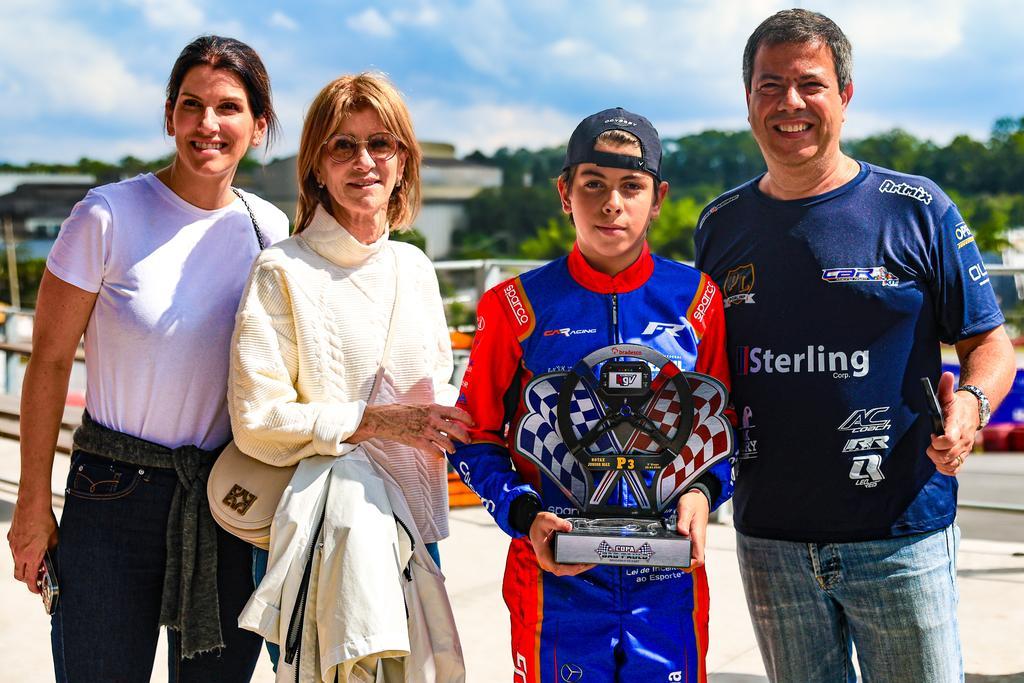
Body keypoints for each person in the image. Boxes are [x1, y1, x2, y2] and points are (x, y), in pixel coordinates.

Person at [694, 9, 1016, 682]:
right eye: (769, 85)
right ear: (747, 100)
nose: (790, 103)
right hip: (770, 542)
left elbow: (991, 341)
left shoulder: (917, 207)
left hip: (901, 534)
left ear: (845, 93)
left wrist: (974, 404)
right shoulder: (719, 225)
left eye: (809, 83)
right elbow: (708, 372)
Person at [6, 35, 289, 681]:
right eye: (191, 105)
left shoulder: (270, 233)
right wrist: (30, 508)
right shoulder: (107, 216)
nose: (207, 124)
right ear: (169, 115)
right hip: (111, 493)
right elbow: (48, 363)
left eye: (228, 107)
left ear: (258, 124)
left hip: (230, 498)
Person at [449, 108, 733, 683]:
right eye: (593, 185)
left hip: (667, 583)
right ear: (564, 191)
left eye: (632, 186)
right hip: (554, 583)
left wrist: (703, 494)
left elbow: (724, 434)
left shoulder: (698, 299)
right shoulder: (514, 305)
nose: (611, 204)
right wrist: (526, 516)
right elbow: (472, 438)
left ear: (657, 198)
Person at [228, 73, 469, 681]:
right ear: (316, 167)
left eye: (380, 144)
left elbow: (437, 390)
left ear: (403, 162)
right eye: (343, 145)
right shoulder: (281, 270)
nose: (363, 161)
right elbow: (257, 422)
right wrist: (377, 422)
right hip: (319, 532)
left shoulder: (415, 268)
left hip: (414, 528)